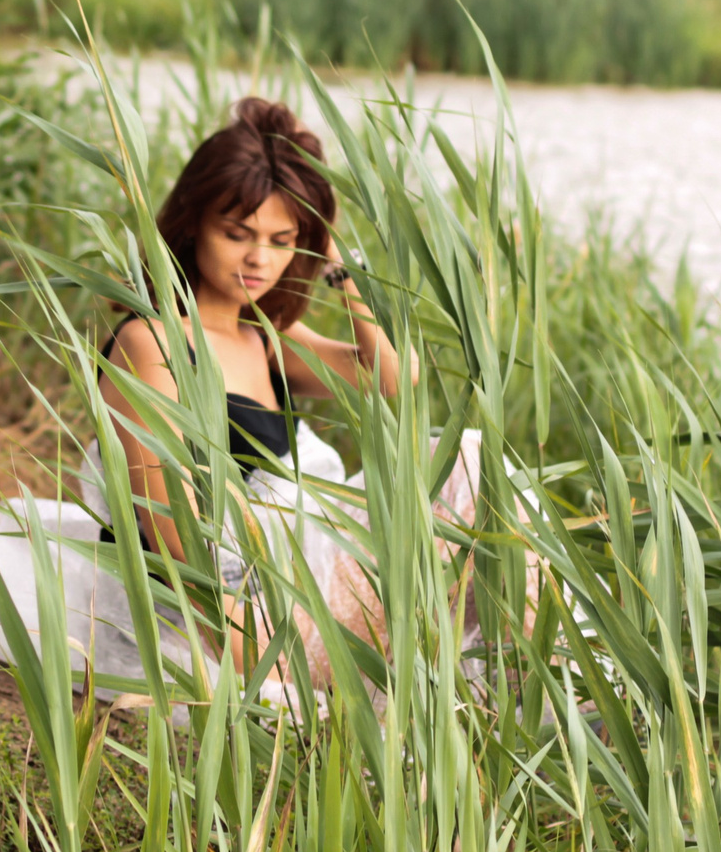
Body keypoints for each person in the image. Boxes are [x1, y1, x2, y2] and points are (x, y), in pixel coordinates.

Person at [86, 98, 483, 686]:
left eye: (281, 239)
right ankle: (531, 704)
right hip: (226, 618)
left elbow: (394, 376)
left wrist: (339, 267)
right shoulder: (154, 343)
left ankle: (528, 698)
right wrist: (269, 672)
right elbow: (174, 535)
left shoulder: (265, 336)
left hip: (296, 582)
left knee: (473, 465)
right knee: (473, 479)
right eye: (237, 234)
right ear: (194, 222)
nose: (259, 259)